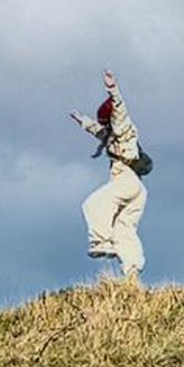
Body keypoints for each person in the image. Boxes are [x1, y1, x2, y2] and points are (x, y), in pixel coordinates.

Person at [70, 70, 147, 281]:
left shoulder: (124, 130)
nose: (105, 126)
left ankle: (101, 242)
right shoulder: (112, 136)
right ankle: (132, 272)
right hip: (137, 189)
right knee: (124, 230)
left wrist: (113, 90)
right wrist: (81, 120)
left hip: (126, 181)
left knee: (93, 204)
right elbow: (96, 130)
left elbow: (120, 110)